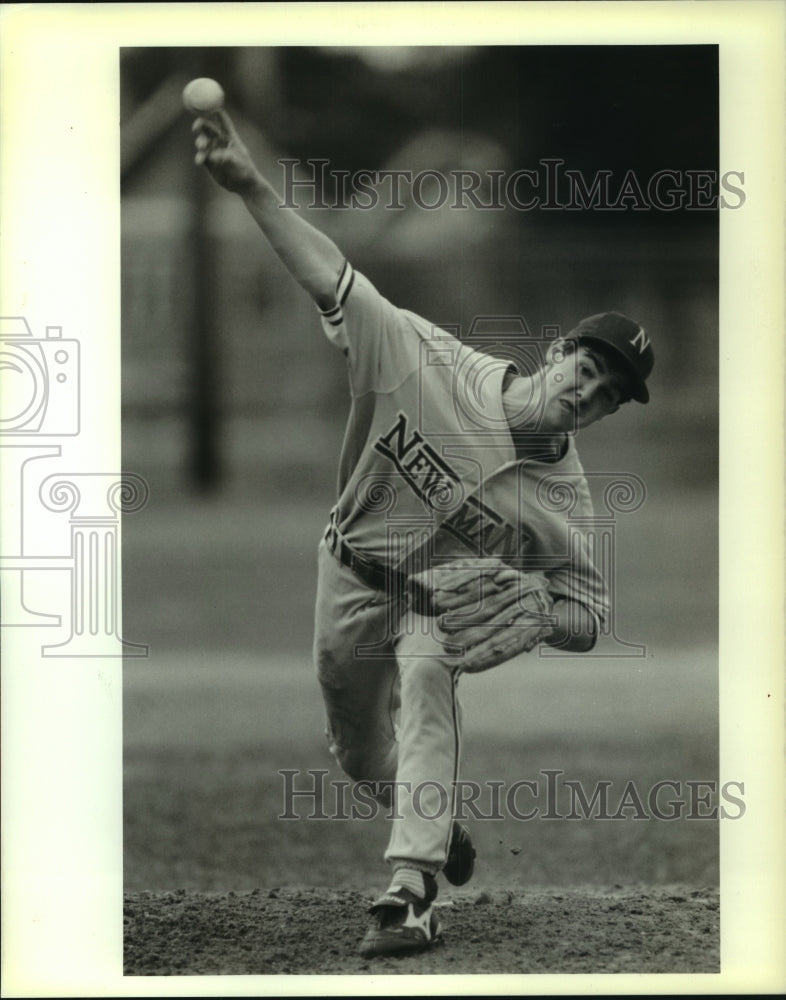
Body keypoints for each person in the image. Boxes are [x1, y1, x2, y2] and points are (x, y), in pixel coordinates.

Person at [191, 109, 654, 958]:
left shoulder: (566, 501)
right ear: (558, 353)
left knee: (431, 685)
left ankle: (409, 890)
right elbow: (330, 276)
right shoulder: (422, 359)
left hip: (433, 602)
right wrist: (250, 183)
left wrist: (543, 614)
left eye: (609, 396)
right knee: (362, 756)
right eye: (588, 371)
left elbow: (589, 614)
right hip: (347, 568)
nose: (588, 396)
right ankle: (442, 830)